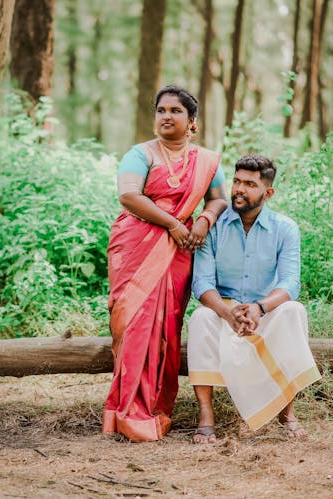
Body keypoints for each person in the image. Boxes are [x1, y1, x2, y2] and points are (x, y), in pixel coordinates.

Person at [103, 85, 228, 442]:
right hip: (136, 248)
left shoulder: (206, 160)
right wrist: (173, 223)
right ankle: (127, 410)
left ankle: (155, 407)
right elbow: (128, 195)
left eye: (175, 111)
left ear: (192, 123)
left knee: (166, 327)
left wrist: (203, 220)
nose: (166, 116)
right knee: (134, 323)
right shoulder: (140, 154)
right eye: (161, 110)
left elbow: (218, 199)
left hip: (179, 251)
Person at [187, 154, 321, 444]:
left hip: (265, 311)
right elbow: (202, 282)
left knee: (293, 311)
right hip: (225, 310)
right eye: (236, 181)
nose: (239, 189)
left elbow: (289, 283)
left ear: (267, 192)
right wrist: (226, 312)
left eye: (250, 184)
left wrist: (260, 308)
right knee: (200, 318)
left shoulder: (285, 228)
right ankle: (206, 416)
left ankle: (287, 412)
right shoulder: (214, 226)